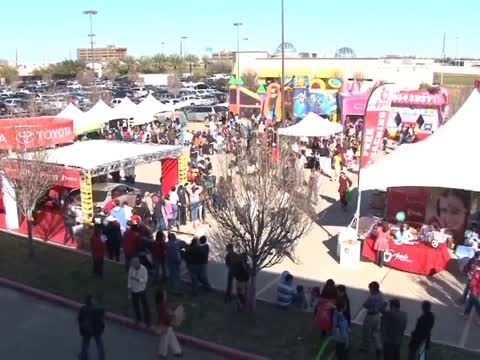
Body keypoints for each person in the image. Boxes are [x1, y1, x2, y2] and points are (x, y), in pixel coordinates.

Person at [360, 281, 386, 357]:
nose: (369, 290)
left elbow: (365, 305)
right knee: (376, 333)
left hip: (370, 316)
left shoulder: (372, 297)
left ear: (373, 289)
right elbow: (384, 304)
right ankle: (379, 347)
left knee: (366, 332)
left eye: (370, 289)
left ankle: (365, 347)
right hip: (378, 316)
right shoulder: (381, 295)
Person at [155, 290, 183, 358]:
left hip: (165, 324)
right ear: (162, 297)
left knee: (170, 337)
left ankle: (177, 351)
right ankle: (163, 353)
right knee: (165, 339)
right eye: (164, 294)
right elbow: (167, 314)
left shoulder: (160, 304)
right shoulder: (163, 305)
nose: (166, 295)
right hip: (166, 324)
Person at [78, 295, 105, 360]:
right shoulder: (99, 309)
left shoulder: (83, 309)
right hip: (97, 330)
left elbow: (80, 319)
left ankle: (83, 356)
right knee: (99, 344)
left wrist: (82, 328)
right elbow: (101, 319)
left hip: (87, 330)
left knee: (85, 343)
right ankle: (101, 357)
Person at [127, 257, 151, 327]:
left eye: (134, 264)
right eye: (132, 264)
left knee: (145, 306)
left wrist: (138, 279)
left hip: (141, 290)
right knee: (136, 306)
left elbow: (145, 280)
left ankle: (147, 321)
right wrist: (129, 290)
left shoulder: (143, 269)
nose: (133, 266)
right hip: (134, 290)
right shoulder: (131, 268)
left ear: (138, 263)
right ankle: (138, 319)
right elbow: (129, 279)